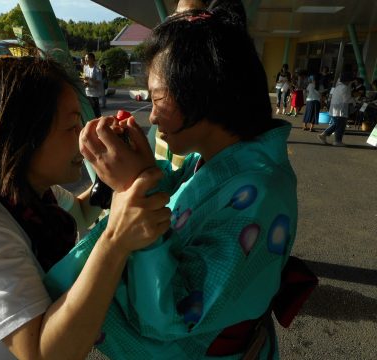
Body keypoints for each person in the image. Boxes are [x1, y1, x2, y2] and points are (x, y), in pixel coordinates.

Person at [51, 2, 303, 359]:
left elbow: (169, 315)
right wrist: (141, 169)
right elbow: (178, 186)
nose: (152, 115)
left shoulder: (263, 191)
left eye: (157, 98)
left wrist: (134, 183)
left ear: (202, 93)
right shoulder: (222, 158)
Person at [0, 57, 170, 359]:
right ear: (20, 138)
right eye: (70, 126)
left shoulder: (28, 194)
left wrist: (111, 180)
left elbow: (78, 213)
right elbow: (45, 354)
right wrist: (116, 241)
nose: (82, 135)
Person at [318, 72, 354, 146]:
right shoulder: (345, 87)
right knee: (340, 126)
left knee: (336, 124)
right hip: (340, 110)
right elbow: (346, 99)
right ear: (348, 80)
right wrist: (354, 100)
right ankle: (337, 141)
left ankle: (324, 135)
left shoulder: (338, 87)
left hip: (335, 109)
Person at [83, 52, 104, 117]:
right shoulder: (85, 67)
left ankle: (98, 122)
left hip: (94, 94)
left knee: (95, 111)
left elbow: (98, 82)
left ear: (92, 59)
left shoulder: (97, 70)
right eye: (85, 58)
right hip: (87, 92)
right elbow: (85, 78)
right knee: (88, 111)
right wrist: (85, 82)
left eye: (87, 58)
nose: (86, 59)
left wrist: (89, 79)